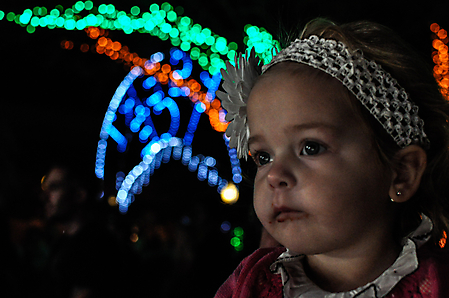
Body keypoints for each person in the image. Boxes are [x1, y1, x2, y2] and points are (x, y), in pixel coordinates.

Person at [215, 18, 449, 297]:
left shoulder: (436, 284)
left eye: (311, 147)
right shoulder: (250, 283)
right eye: (263, 157)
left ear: (402, 172)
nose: (275, 175)